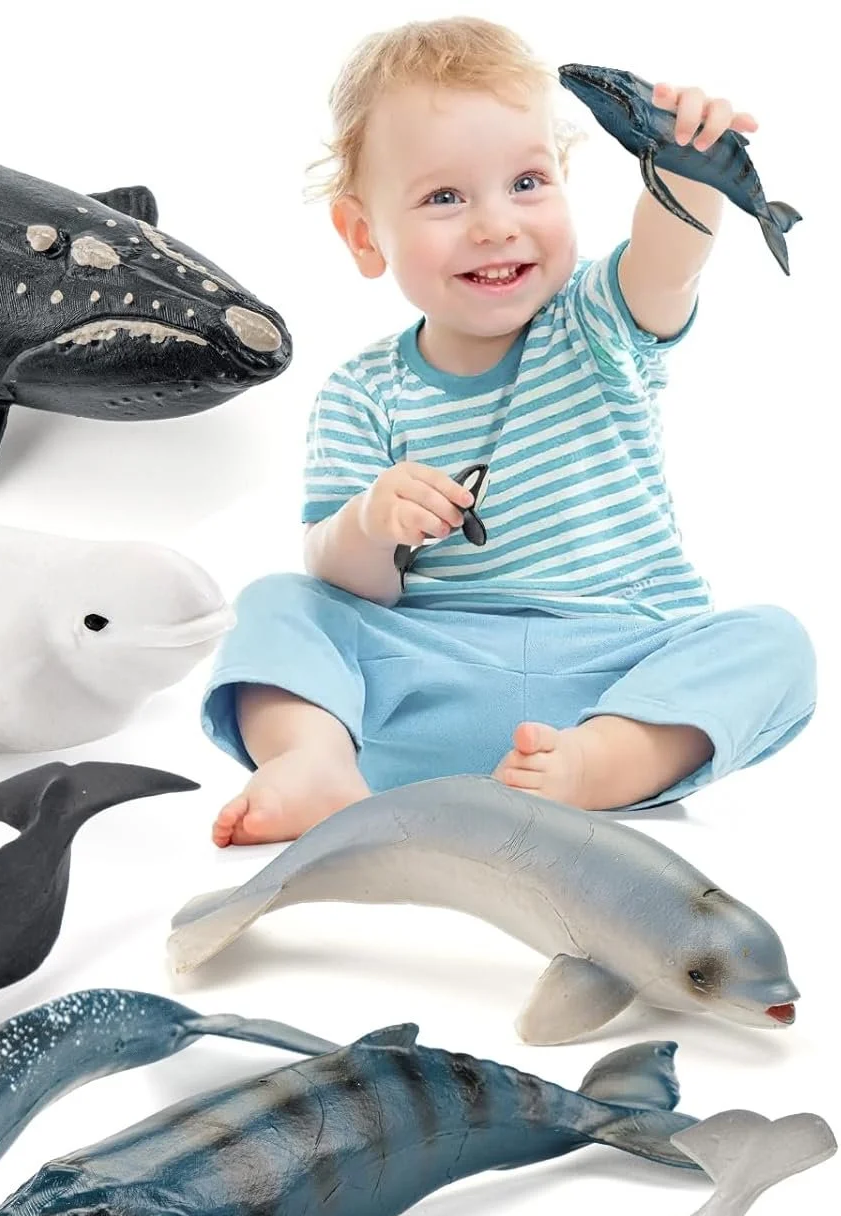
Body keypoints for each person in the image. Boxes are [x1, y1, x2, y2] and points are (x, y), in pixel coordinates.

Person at [204, 16, 815, 848]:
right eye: (444, 198)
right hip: (429, 677)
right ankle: (316, 765)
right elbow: (347, 582)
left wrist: (690, 169)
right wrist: (369, 522)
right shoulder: (361, 391)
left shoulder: (597, 322)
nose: (494, 224)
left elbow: (668, 258)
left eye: (526, 183)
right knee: (276, 605)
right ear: (362, 234)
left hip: (613, 671)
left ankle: (604, 764)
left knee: (771, 642)